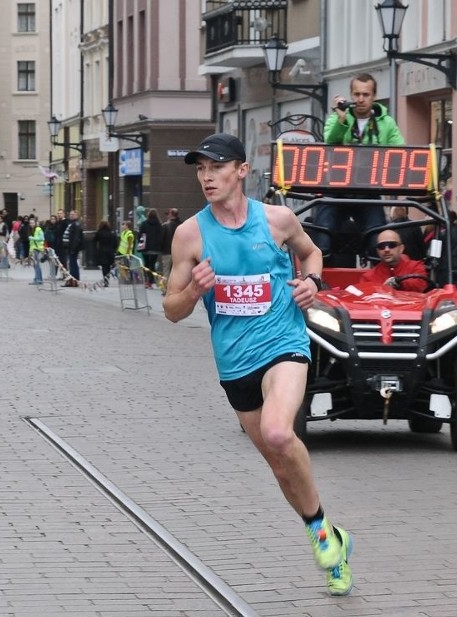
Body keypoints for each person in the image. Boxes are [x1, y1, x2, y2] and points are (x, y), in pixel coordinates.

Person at [163, 133, 353, 597]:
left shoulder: (278, 220)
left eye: (216, 167)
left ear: (242, 170)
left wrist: (312, 281)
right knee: (278, 462)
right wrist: (193, 292)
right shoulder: (190, 234)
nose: (206, 177)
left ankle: (324, 540)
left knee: (277, 432)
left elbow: (311, 252)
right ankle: (326, 531)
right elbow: (171, 308)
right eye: (200, 169)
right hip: (234, 363)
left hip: (283, 343)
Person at [315, 73, 405, 257]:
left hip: (369, 190)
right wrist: (342, 120)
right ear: (351, 95)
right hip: (335, 190)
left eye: (366, 94)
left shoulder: (386, 123)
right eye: (356, 94)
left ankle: (379, 281)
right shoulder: (337, 117)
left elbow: (401, 152)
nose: (360, 99)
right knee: (321, 238)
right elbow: (330, 140)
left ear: (374, 96)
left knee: (377, 242)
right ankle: (316, 279)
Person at [359, 229, 429, 292]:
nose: (386, 249)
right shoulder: (368, 277)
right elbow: (363, 296)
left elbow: (421, 285)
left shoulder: (416, 267)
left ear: (401, 248)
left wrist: (399, 282)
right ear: (377, 251)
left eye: (392, 245)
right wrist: (382, 289)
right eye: (382, 246)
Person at [138, 208, 164, 289]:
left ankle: (146, 281)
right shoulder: (159, 225)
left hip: (145, 248)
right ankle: (151, 281)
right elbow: (161, 236)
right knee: (152, 264)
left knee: (146, 264)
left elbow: (140, 235)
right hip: (155, 249)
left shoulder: (144, 224)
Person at [160, 207, 183, 285]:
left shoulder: (165, 226)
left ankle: (165, 288)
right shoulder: (183, 225)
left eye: (168, 214)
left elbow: (161, 239)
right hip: (179, 252)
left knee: (166, 270)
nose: (167, 216)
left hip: (167, 252)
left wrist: (161, 249)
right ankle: (177, 287)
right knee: (177, 271)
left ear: (171, 214)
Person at [93, 219, 117, 286]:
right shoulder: (111, 233)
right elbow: (115, 243)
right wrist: (114, 250)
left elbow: (94, 240)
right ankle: (107, 278)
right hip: (110, 252)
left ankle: (105, 280)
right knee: (109, 266)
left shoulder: (99, 233)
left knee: (104, 267)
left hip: (102, 251)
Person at [61, 210, 83, 287]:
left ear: (77, 215)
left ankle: (74, 280)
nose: (71, 216)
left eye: (73, 214)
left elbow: (76, 238)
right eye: (70, 214)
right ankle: (73, 280)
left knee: (73, 264)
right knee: (71, 264)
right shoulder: (72, 224)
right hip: (69, 248)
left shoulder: (76, 224)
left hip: (72, 249)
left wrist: (73, 249)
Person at [28, 216, 45, 285]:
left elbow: (42, 238)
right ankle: (38, 279)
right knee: (35, 265)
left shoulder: (38, 229)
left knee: (36, 265)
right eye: (30, 223)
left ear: (35, 223)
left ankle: (38, 279)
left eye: (32, 223)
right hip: (33, 249)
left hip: (37, 249)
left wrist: (33, 238)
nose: (31, 224)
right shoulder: (32, 230)